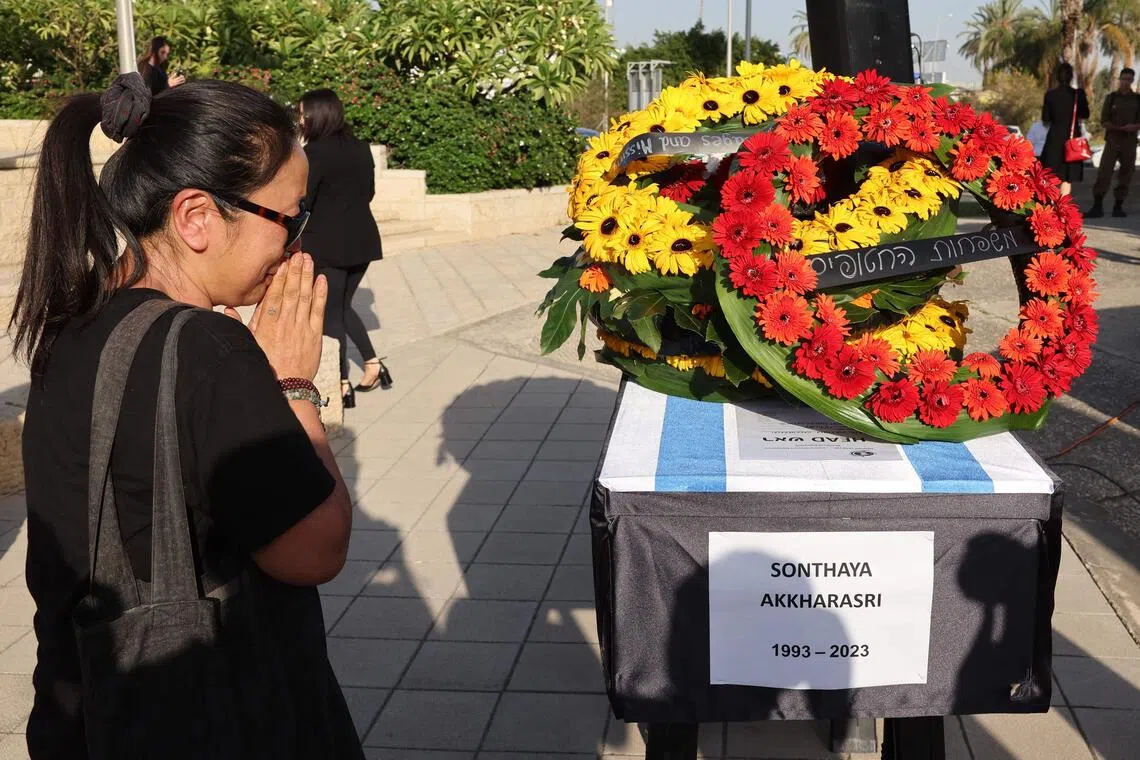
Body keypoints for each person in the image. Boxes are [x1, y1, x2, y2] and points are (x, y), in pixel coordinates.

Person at [12, 73, 363, 757]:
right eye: (290, 219)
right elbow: (315, 550)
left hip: (87, 710)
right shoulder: (208, 349)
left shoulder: (74, 325)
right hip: (211, 714)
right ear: (197, 216)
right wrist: (293, 383)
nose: (295, 246)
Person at [298, 88, 386, 409]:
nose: (300, 119)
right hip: (363, 240)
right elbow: (369, 193)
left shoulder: (315, 155)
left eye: (303, 113)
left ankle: (341, 382)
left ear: (317, 116)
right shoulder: (360, 149)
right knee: (343, 307)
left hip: (328, 244)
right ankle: (373, 364)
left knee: (330, 314)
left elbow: (305, 202)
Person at [1088, 67, 1140, 218]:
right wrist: (1117, 127)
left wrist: (1133, 127)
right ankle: (1097, 206)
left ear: (1132, 81)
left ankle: (1118, 206)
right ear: (1119, 79)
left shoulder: (1137, 99)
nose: (1125, 82)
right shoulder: (1111, 98)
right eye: (1123, 79)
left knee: (1126, 173)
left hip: (1129, 142)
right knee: (1104, 172)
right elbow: (1104, 121)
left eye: (1128, 79)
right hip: (1112, 140)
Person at [1040, 62, 1090, 197]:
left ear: (1056, 77)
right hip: (1072, 140)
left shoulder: (1050, 95)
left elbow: (1046, 118)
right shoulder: (1078, 94)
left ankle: (1049, 204)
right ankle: (1063, 207)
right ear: (1071, 77)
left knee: (1050, 174)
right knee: (1067, 177)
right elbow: (1085, 114)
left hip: (1054, 140)